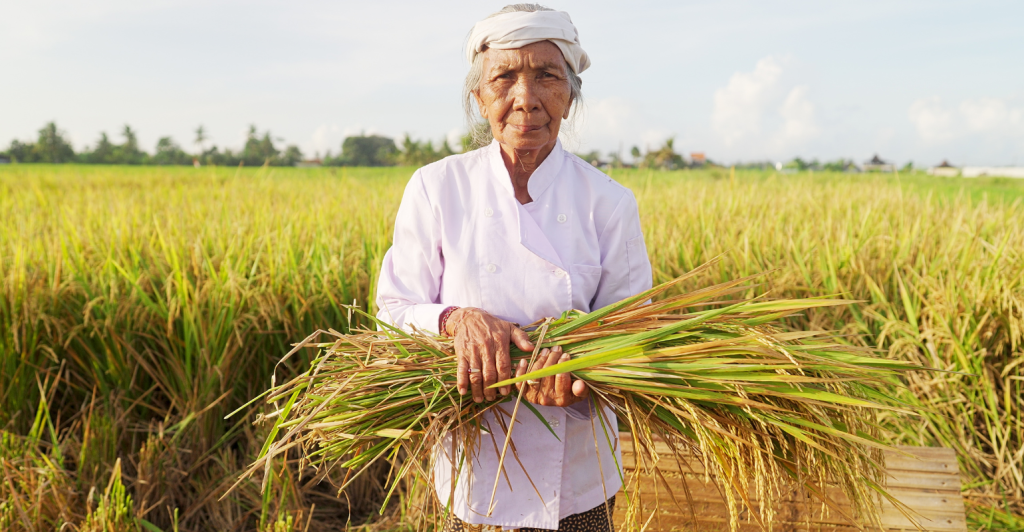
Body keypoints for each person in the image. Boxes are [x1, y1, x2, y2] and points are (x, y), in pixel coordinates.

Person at [375, 4, 652, 531]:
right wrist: (455, 320)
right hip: (473, 471)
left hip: (577, 478)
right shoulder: (437, 188)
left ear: (569, 96)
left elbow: (634, 331)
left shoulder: (608, 202)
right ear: (479, 98)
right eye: (504, 78)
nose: (525, 98)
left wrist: (581, 372)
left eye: (546, 75)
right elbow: (393, 311)